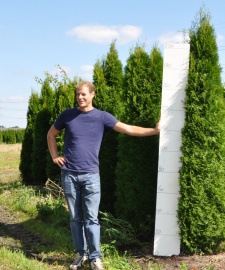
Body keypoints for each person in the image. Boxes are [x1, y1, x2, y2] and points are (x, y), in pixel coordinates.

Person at [47, 81, 160, 270]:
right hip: (70, 175)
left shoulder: (102, 117)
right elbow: (51, 134)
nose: (80, 97)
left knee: (92, 219)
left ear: (93, 95)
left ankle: (95, 258)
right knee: (75, 218)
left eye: (84, 94)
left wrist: (154, 131)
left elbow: (129, 129)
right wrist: (55, 156)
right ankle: (80, 254)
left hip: (91, 176)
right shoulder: (67, 115)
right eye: (78, 94)